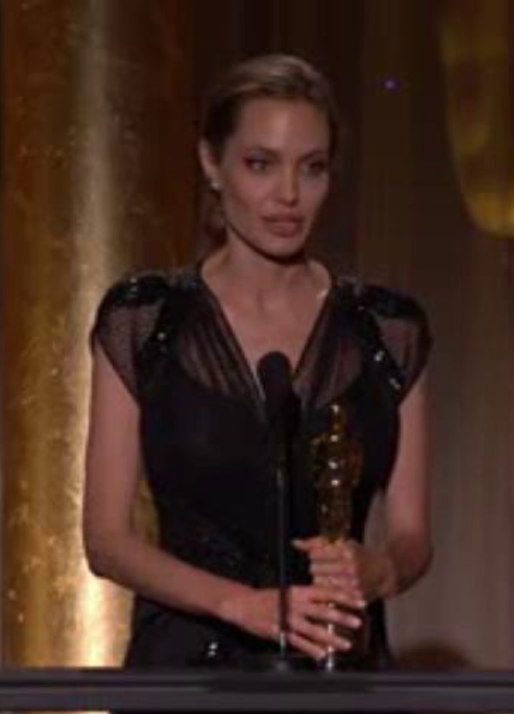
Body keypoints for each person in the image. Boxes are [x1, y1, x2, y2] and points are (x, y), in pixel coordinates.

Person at [83, 54, 432, 675]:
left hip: (338, 678)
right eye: (260, 165)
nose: (289, 196)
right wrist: (241, 605)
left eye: (313, 168)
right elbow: (107, 542)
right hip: (187, 681)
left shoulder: (387, 330)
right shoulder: (145, 320)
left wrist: (378, 569)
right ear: (211, 164)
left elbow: (412, 538)